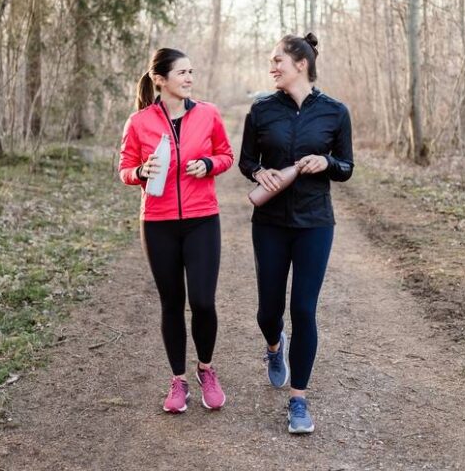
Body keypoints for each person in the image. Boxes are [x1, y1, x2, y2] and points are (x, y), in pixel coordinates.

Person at [239, 33, 353, 433]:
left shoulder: (335, 112)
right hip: (270, 223)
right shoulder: (261, 110)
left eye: (277, 61)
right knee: (267, 311)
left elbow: (346, 167)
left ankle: (299, 400)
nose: (271, 67)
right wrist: (259, 172)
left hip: (315, 223)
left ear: (300, 64)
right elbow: (246, 160)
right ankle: (274, 347)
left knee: (304, 309)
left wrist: (326, 162)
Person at [119, 48, 234, 413]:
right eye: (181, 72)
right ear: (160, 79)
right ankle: (178, 381)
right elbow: (125, 169)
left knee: (202, 301)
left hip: (202, 219)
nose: (188, 78)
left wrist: (208, 163)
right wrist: (140, 173)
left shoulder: (209, 114)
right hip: (158, 223)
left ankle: (206, 369)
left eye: (191, 72)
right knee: (171, 303)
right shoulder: (138, 122)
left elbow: (227, 155)